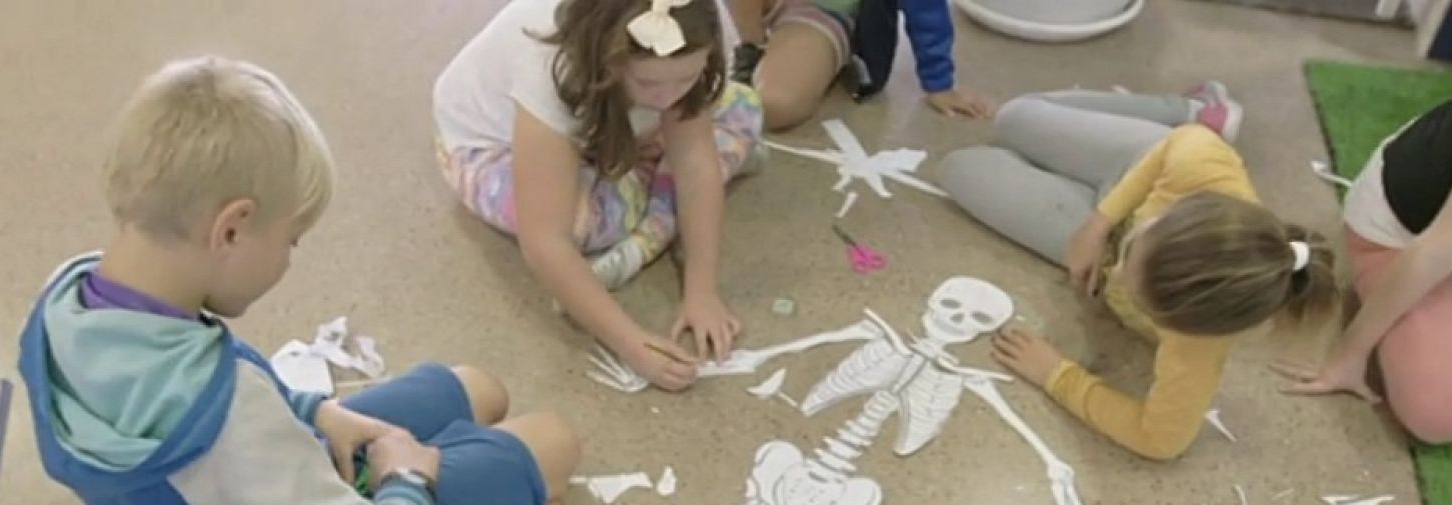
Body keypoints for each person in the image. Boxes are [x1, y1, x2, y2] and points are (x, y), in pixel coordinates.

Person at [16, 58, 580, 505]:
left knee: (481, 389)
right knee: (554, 449)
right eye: (292, 240)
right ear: (231, 228)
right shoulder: (232, 423)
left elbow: (212, 392)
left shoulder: (65, 298)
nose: (290, 258)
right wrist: (405, 486)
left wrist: (318, 413)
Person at [938, 86, 1335, 461]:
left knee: (959, 167)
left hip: (1108, 237)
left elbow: (1161, 441)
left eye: (1133, 290)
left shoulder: (1198, 343)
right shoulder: (1204, 166)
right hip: (1135, 166)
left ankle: (1091, 202)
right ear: (1176, 214)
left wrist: (1057, 376)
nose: (1120, 272)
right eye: (1133, 253)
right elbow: (1185, 141)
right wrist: (1098, 224)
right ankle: (1188, 107)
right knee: (1013, 116)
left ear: (1177, 322)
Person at [434, 0, 764, 390]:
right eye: (649, 83)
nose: (666, 98)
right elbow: (545, 239)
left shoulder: (704, 24)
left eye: (686, 77)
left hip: (605, 122)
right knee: (587, 225)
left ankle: (639, 190)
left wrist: (702, 290)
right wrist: (631, 344)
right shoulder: (553, 67)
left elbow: (694, 161)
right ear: (609, 58)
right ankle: (652, 218)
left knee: (743, 108)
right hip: (492, 146)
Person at [1277, 54, 1452, 444]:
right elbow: (1440, 245)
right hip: (1408, 228)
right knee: (1444, 414)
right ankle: (1432, 294)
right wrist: (1349, 353)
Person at [726, 0, 993, 131]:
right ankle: (751, 46)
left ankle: (762, 52)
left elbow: (925, 6)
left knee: (772, 106)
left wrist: (939, 80)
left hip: (823, 10)